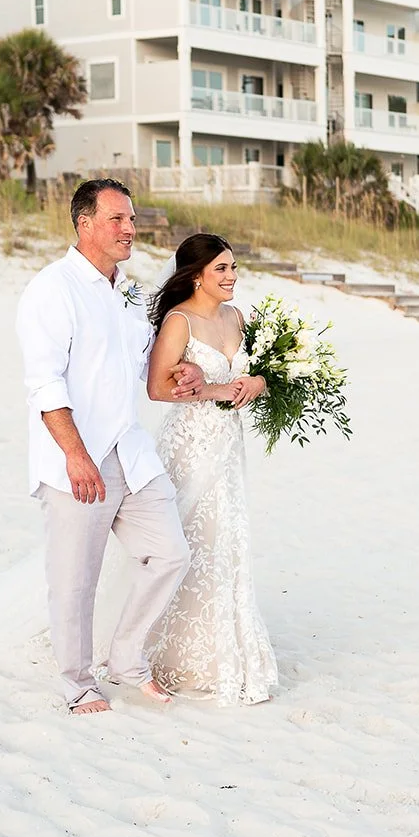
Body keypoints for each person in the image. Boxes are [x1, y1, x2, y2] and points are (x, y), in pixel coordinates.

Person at [14, 179, 204, 715]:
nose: (130, 229)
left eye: (132, 219)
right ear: (85, 223)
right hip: (76, 458)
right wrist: (76, 456)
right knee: (75, 581)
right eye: (118, 219)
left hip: (131, 452)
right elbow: (45, 384)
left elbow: (147, 365)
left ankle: (124, 658)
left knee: (170, 554)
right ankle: (77, 683)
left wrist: (182, 369)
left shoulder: (133, 293)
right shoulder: (52, 290)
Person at [144, 233, 280, 705]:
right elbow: (157, 389)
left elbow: (266, 373)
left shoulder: (238, 317)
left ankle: (220, 649)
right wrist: (218, 391)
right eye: (221, 268)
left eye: (234, 267)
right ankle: (163, 652)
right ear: (195, 274)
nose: (232, 277)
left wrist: (258, 381)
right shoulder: (179, 321)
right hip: (189, 447)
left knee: (228, 540)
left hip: (228, 446)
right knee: (190, 541)